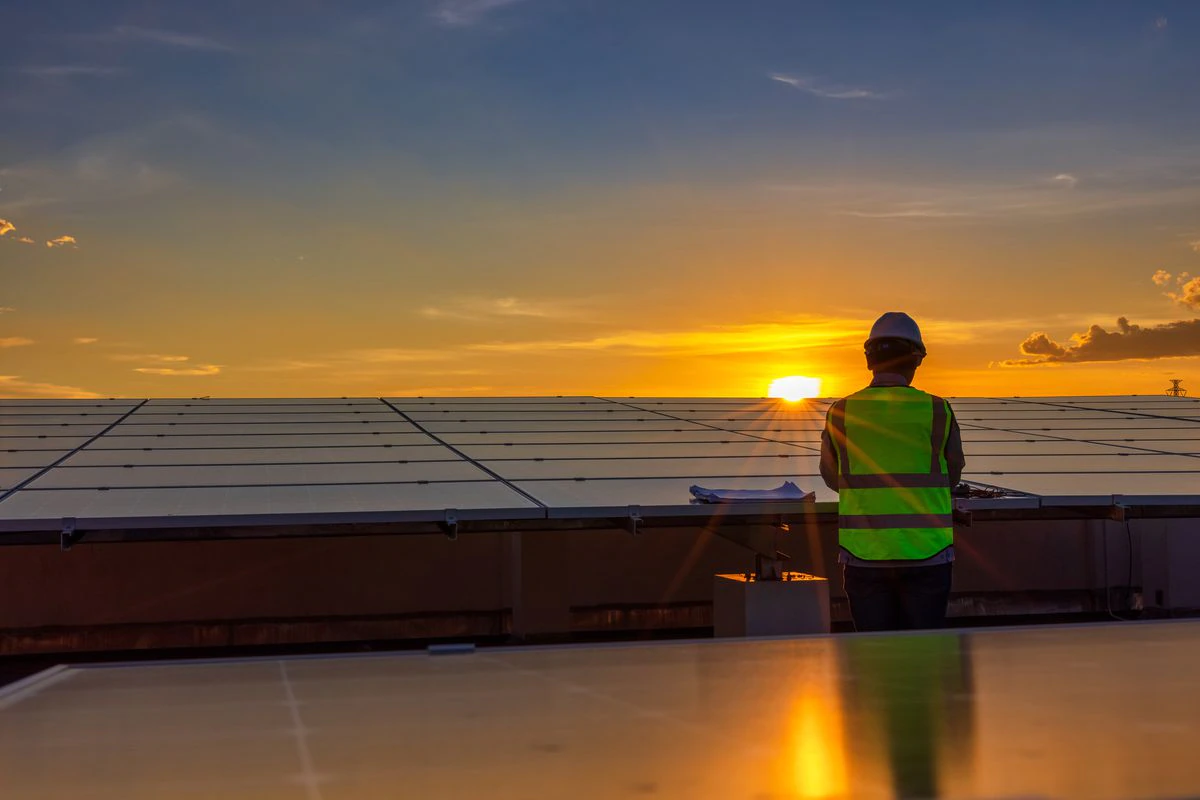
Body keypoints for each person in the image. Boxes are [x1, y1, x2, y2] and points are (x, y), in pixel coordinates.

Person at [819, 312, 965, 631]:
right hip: (928, 553)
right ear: (916, 361)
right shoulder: (937, 409)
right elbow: (952, 474)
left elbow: (832, 477)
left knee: (874, 658)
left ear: (870, 360)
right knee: (925, 655)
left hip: (864, 554)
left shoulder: (841, 412)